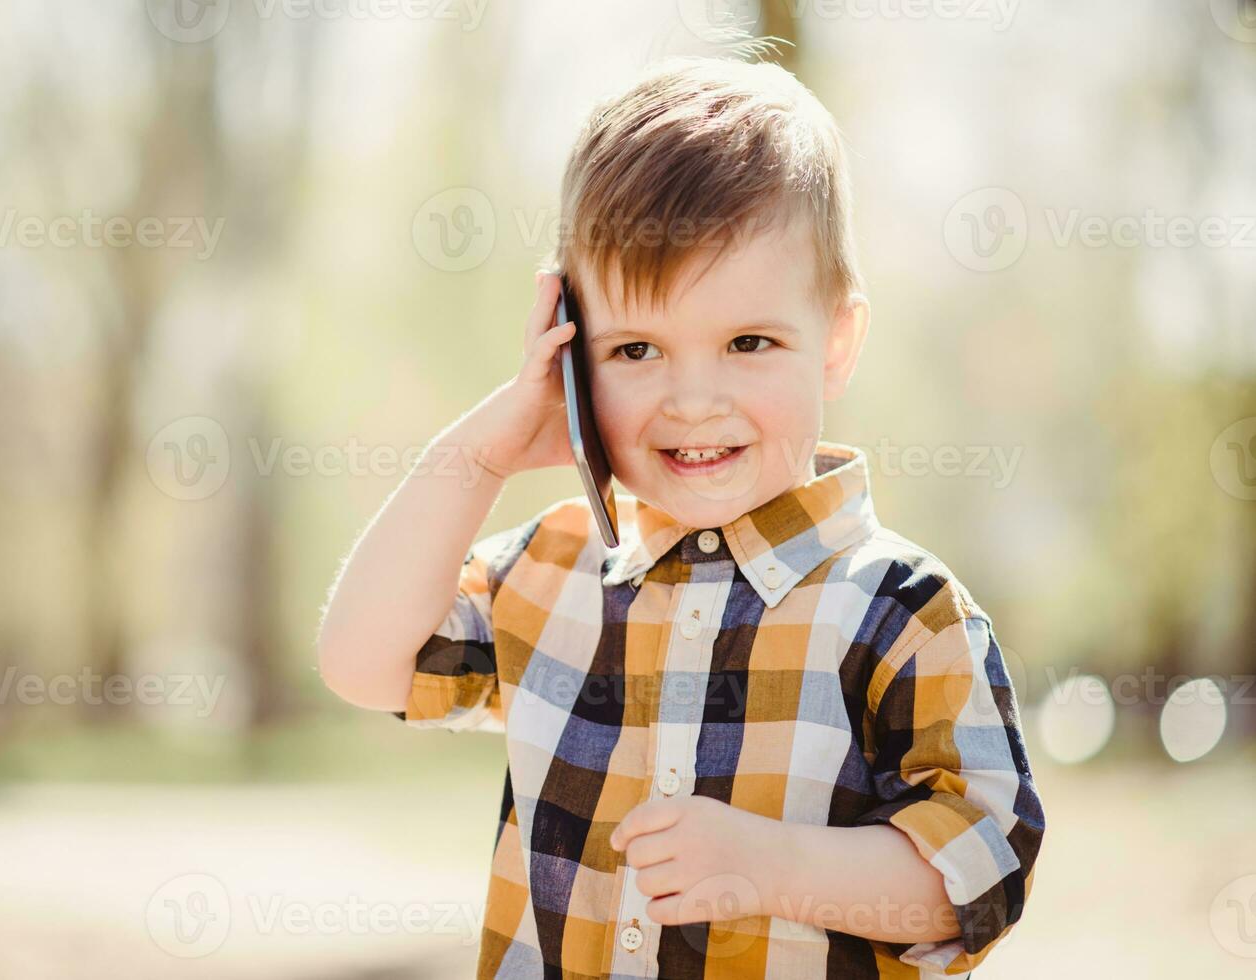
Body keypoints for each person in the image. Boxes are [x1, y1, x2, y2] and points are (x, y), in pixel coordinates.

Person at [317, 55, 1044, 979]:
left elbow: (983, 875)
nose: (692, 399)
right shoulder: (555, 570)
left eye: (748, 342)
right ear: (570, 352)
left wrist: (774, 867)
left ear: (837, 344)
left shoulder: (903, 613)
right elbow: (362, 663)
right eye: (636, 349)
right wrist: (479, 453)